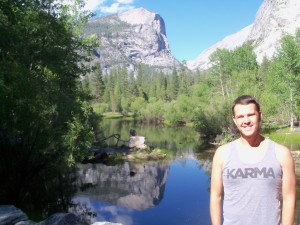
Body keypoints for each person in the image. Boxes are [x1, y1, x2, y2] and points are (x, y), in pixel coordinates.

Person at [210, 95, 296, 225]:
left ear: (260, 116)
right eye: (240, 116)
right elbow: (216, 196)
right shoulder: (222, 153)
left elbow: (289, 198)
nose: (246, 121)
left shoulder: (281, 153)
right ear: (234, 120)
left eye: (251, 115)